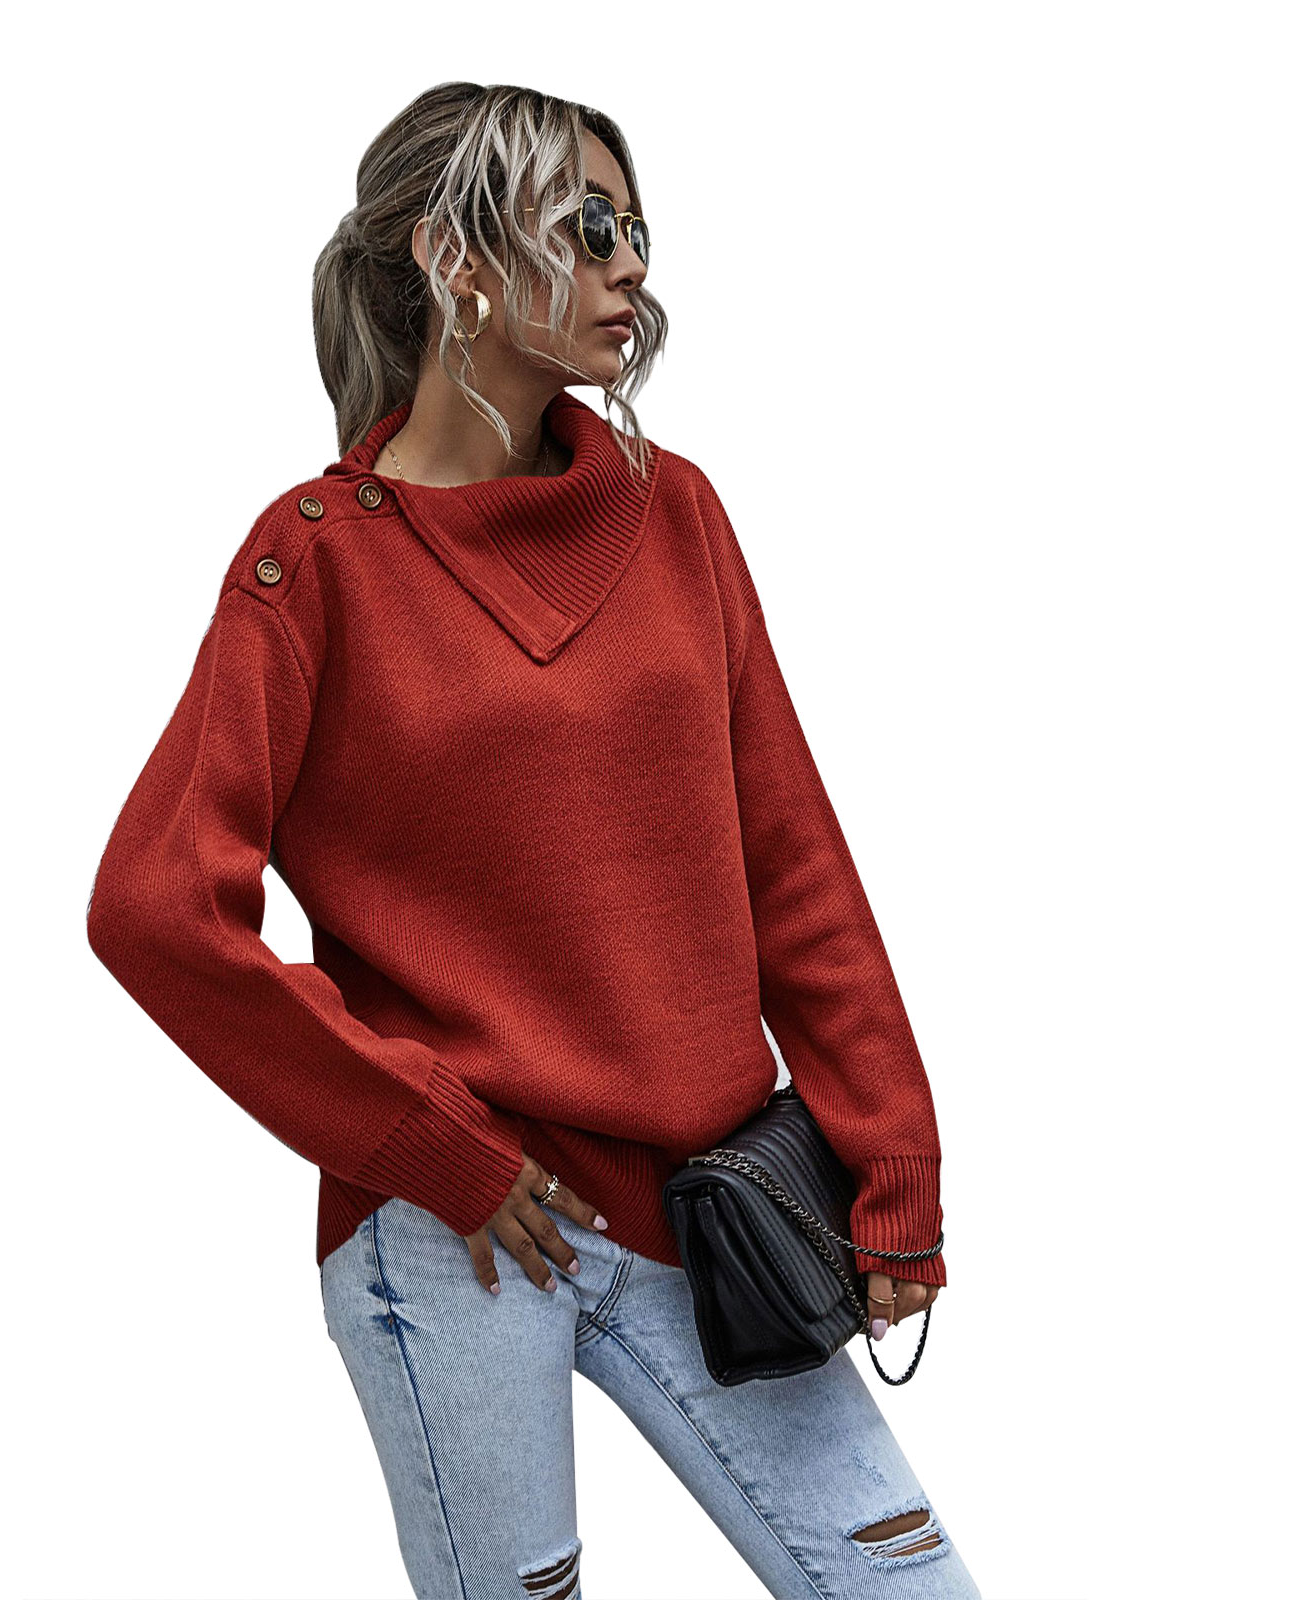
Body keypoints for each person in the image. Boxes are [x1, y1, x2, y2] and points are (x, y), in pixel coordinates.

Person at [87, 80, 981, 1600]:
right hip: (456, 1233)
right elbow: (155, 907)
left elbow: (795, 867)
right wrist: (426, 1138)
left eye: (637, 231)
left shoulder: (674, 516)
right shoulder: (315, 564)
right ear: (457, 259)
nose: (633, 266)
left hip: (709, 1214)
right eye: (589, 226)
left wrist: (889, 1151)